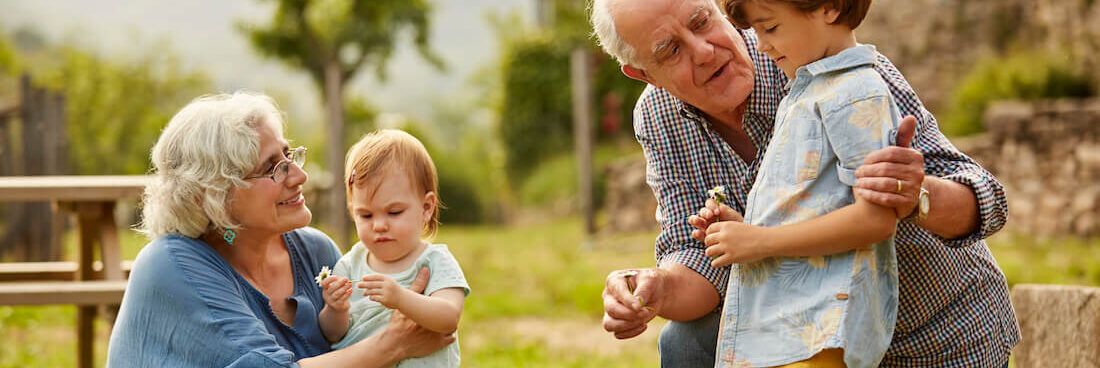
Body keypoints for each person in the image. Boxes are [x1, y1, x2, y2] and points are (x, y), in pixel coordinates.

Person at [589, 0, 1018, 366]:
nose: (703, 52)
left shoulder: (823, 58)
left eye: (701, 22)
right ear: (643, 74)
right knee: (686, 342)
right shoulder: (659, 117)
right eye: (670, 50)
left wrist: (914, 194)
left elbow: (986, 201)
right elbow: (698, 257)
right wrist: (657, 289)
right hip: (806, 334)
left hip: (931, 333)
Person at [106, 92, 452, 367]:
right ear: (214, 195)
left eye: (289, 156)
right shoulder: (170, 265)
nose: (299, 176)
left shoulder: (316, 252)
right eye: (273, 168)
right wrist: (392, 344)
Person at [703, 0, 903, 366]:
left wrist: (759, 241)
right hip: (788, 327)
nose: (762, 45)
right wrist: (747, 229)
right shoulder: (810, 90)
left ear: (831, 7)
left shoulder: (856, 93)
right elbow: (815, 204)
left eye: (770, 28)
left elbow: (876, 220)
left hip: (819, 331)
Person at [317, 129, 470, 367]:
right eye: (366, 215)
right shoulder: (349, 265)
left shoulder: (434, 260)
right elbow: (333, 335)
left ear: (426, 208)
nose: (379, 225)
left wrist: (400, 297)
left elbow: (449, 317)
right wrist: (336, 309)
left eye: (394, 212)